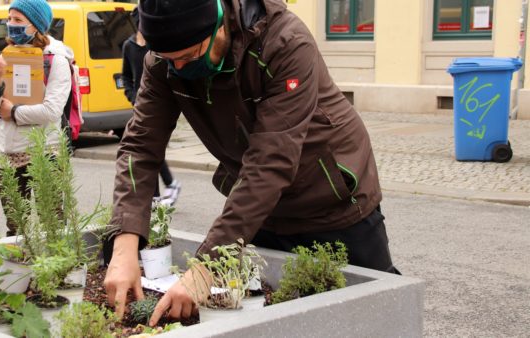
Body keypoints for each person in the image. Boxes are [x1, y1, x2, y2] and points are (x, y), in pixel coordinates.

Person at [104, 0, 399, 325]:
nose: (181, 69)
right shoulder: (165, 61)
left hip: (336, 203)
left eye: (189, 56)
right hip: (262, 212)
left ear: (218, 21)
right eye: (170, 60)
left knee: (379, 316)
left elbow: (271, 160)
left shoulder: (284, 42)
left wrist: (206, 268)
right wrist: (125, 245)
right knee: (283, 321)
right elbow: (140, 144)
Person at [0, 0, 73, 236]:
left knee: (51, 225)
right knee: (16, 226)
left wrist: (13, 112)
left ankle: (56, 272)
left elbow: (51, 111)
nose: (10, 24)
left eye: (18, 20)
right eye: (9, 18)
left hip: (44, 153)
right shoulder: (7, 56)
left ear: (35, 25)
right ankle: (20, 272)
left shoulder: (56, 60)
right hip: (10, 153)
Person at [121, 9, 181, 207]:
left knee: (151, 148)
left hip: (157, 105)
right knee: (146, 148)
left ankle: (167, 186)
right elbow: (126, 76)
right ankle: (158, 193)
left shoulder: (155, 46)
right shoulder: (128, 46)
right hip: (139, 106)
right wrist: (132, 97)